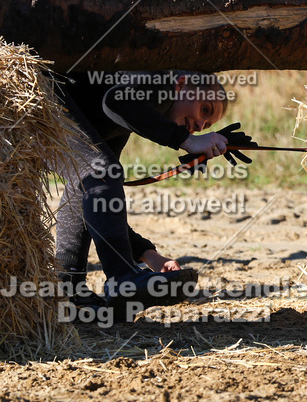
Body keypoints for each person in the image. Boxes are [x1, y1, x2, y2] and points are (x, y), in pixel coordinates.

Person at [52, 70, 252, 320]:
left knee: (95, 175)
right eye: (205, 109)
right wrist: (186, 140)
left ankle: (68, 290)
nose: (200, 126)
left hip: (56, 101)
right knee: (102, 169)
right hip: (42, 93)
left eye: (207, 125)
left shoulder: (126, 117)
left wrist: (147, 253)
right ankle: (122, 279)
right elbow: (115, 100)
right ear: (182, 84)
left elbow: (94, 200)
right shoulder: (162, 82)